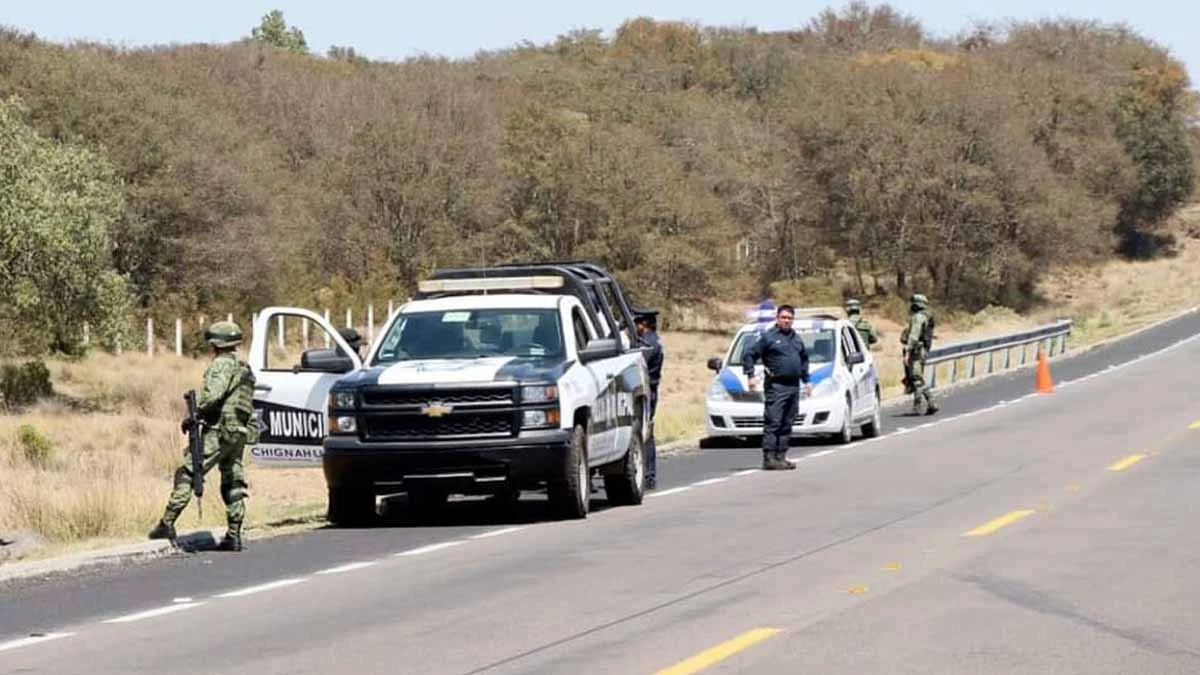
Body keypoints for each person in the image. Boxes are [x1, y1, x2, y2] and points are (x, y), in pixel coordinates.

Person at [148, 321, 258, 551]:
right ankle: (234, 534)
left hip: (219, 430)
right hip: (238, 431)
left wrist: (194, 415)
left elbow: (213, 397)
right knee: (233, 480)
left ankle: (167, 523)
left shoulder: (220, 366)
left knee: (188, 472)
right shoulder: (243, 368)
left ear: (216, 344)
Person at [742, 304, 812, 470]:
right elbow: (749, 354)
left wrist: (807, 380)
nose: (786, 321)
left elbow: (803, 360)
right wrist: (750, 375)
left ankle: (781, 456)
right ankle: (769, 457)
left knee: (788, 421)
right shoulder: (769, 337)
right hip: (776, 386)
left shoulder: (796, 338)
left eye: (789, 318)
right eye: (783, 317)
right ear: (777, 318)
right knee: (774, 421)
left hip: (793, 386)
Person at [633, 308, 663, 490]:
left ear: (643, 324)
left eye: (637, 323)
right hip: (649, 390)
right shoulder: (649, 341)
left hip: (648, 391)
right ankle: (648, 474)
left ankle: (649, 475)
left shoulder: (649, 344)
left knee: (646, 432)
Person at [900, 293, 939, 415]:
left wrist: (907, 351)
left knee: (916, 378)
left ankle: (927, 403)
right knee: (916, 377)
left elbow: (914, 336)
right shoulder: (926, 317)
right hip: (923, 350)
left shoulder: (918, 317)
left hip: (916, 351)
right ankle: (925, 405)